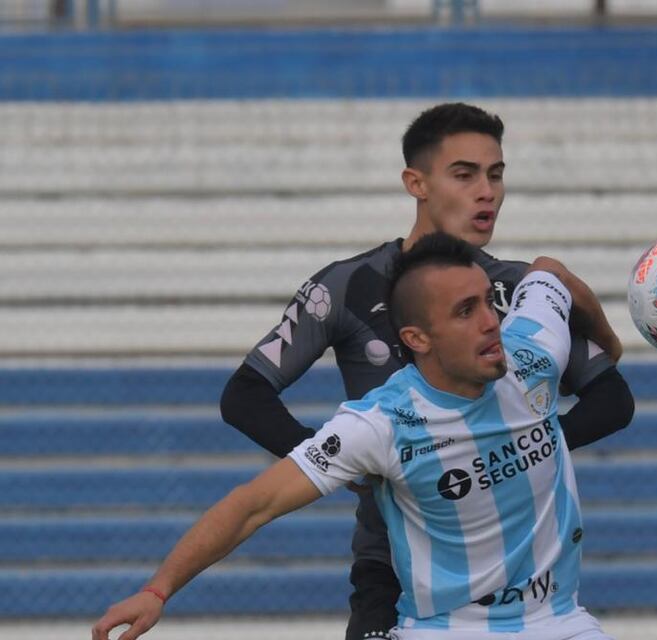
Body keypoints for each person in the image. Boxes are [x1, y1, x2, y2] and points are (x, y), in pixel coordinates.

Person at [219, 102, 634, 639]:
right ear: (416, 183)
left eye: (496, 174)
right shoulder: (346, 286)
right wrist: (341, 465)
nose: (487, 192)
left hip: (515, 580)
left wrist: (506, 450)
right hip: (388, 569)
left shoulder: (515, 290)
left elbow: (613, 399)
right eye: (464, 175)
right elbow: (245, 394)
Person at [93, 232, 618, 640]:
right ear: (416, 338)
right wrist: (156, 591)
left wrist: (609, 344)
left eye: (487, 303)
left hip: (560, 620)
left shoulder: (531, 355)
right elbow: (254, 504)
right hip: (447, 629)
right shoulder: (381, 424)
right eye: (465, 311)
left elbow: (549, 273)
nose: (490, 322)